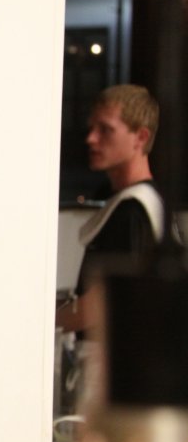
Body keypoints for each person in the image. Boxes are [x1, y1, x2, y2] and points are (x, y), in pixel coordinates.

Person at [57, 84, 164, 333]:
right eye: (92, 128)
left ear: (141, 137)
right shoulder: (140, 201)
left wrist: (44, 321)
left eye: (106, 130)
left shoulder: (133, 210)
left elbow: (102, 303)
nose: (91, 139)